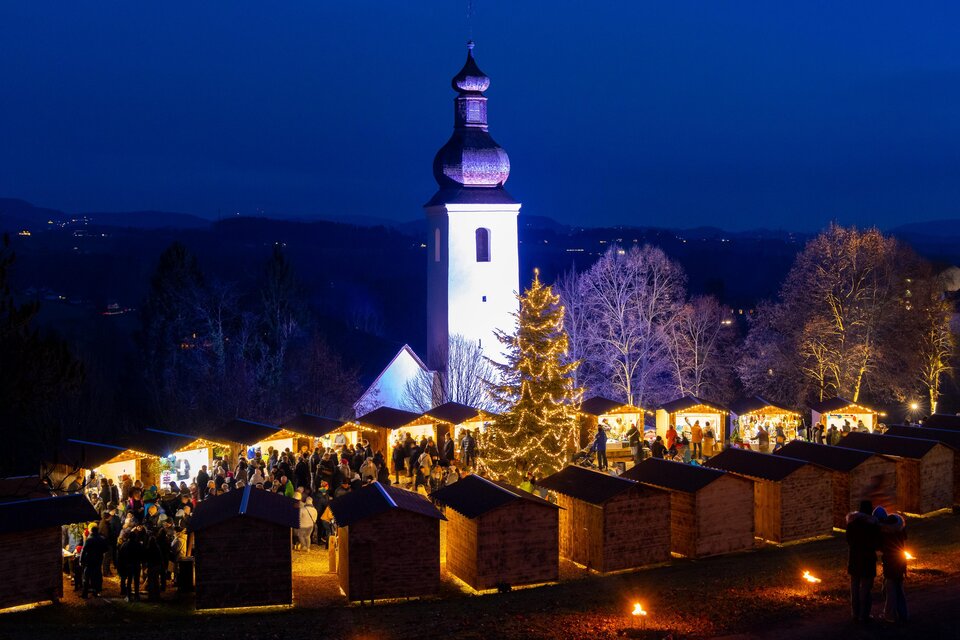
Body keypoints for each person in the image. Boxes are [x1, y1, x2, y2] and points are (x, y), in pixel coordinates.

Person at [846, 500, 880, 623]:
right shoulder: (872, 524)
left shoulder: (851, 523)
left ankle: (855, 614)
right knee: (865, 588)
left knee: (854, 588)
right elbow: (877, 543)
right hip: (867, 559)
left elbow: (848, 540)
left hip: (854, 558)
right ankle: (864, 614)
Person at [875, 507, 908, 623]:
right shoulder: (899, 528)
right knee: (899, 589)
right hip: (900, 562)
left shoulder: (886, 532)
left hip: (891, 563)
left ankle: (890, 615)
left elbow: (880, 547)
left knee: (890, 591)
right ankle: (903, 614)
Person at [80, 525, 108, 598]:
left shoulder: (89, 539)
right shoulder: (102, 539)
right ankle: (96, 591)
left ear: (91, 531)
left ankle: (85, 593)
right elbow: (106, 549)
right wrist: (100, 552)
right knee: (97, 575)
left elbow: (84, 550)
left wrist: (81, 560)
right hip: (98, 559)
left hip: (89, 560)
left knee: (86, 576)